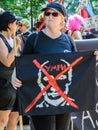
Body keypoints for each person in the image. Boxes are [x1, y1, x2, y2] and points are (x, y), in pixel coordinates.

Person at [11, 2, 98, 130]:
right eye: (47, 13)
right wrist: (14, 75)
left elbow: (76, 67)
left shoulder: (68, 41)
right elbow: (23, 63)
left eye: (54, 14)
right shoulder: (34, 39)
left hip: (64, 98)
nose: (50, 16)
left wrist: (92, 58)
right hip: (39, 99)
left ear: (62, 18)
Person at [0, 11, 21, 130]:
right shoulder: (0, 39)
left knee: (15, 117)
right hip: (4, 85)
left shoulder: (14, 39)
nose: (18, 25)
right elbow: (7, 62)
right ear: (8, 25)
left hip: (16, 84)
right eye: (16, 22)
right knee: (2, 120)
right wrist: (16, 46)